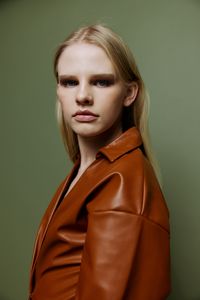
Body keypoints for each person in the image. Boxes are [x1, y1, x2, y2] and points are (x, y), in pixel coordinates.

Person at [29, 23, 171, 300]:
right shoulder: (91, 171)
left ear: (130, 94)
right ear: (58, 90)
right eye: (69, 82)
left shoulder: (121, 179)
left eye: (101, 82)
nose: (82, 96)